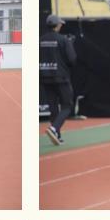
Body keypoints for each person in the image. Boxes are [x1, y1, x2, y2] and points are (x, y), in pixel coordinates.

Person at [40, 14, 77, 145]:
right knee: (67, 105)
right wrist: (70, 45)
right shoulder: (63, 40)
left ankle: (57, 135)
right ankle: (54, 128)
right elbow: (72, 59)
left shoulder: (40, 40)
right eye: (60, 23)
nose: (61, 25)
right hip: (61, 77)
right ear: (57, 25)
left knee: (53, 107)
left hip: (44, 78)